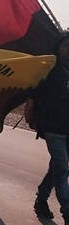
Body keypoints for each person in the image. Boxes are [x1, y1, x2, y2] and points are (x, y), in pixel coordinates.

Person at [27, 32, 69, 224]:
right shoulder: (51, 70)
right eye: (66, 46)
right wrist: (30, 114)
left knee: (56, 168)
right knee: (61, 169)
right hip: (53, 128)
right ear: (59, 48)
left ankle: (41, 200)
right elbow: (34, 95)